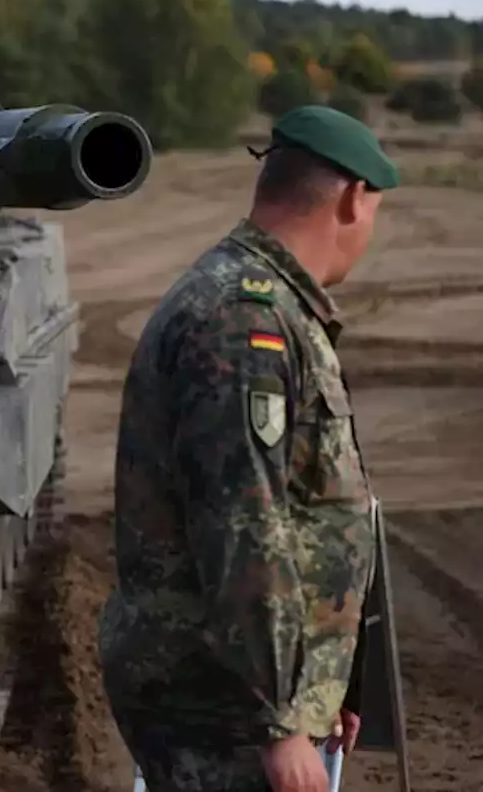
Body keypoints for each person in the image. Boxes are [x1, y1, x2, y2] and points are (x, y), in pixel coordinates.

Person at [98, 104, 399, 792]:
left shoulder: (265, 304)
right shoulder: (243, 318)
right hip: (223, 704)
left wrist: (326, 681)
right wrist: (276, 722)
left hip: (241, 693)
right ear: (354, 199)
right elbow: (243, 525)